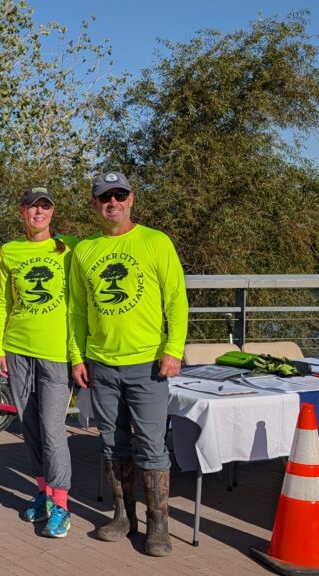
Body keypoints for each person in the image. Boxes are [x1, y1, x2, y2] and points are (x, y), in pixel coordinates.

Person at [69, 171, 188, 556]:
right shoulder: (84, 251)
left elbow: (176, 300)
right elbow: (77, 311)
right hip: (101, 364)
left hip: (148, 364)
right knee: (112, 444)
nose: (113, 202)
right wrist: (77, 356)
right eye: (105, 197)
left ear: (132, 199)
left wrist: (174, 349)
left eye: (120, 195)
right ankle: (123, 516)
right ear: (95, 204)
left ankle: (158, 525)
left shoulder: (156, 242)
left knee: (152, 446)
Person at [0, 187, 79, 538]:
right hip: (17, 348)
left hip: (56, 353)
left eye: (45, 207)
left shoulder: (69, 247)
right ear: (22, 211)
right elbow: (2, 304)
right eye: (32, 207)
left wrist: (77, 355)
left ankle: (61, 505)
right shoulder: (10, 251)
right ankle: (42, 493)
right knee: (29, 427)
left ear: (53, 212)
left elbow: (77, 305)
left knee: (53, 428)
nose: (38, 213)